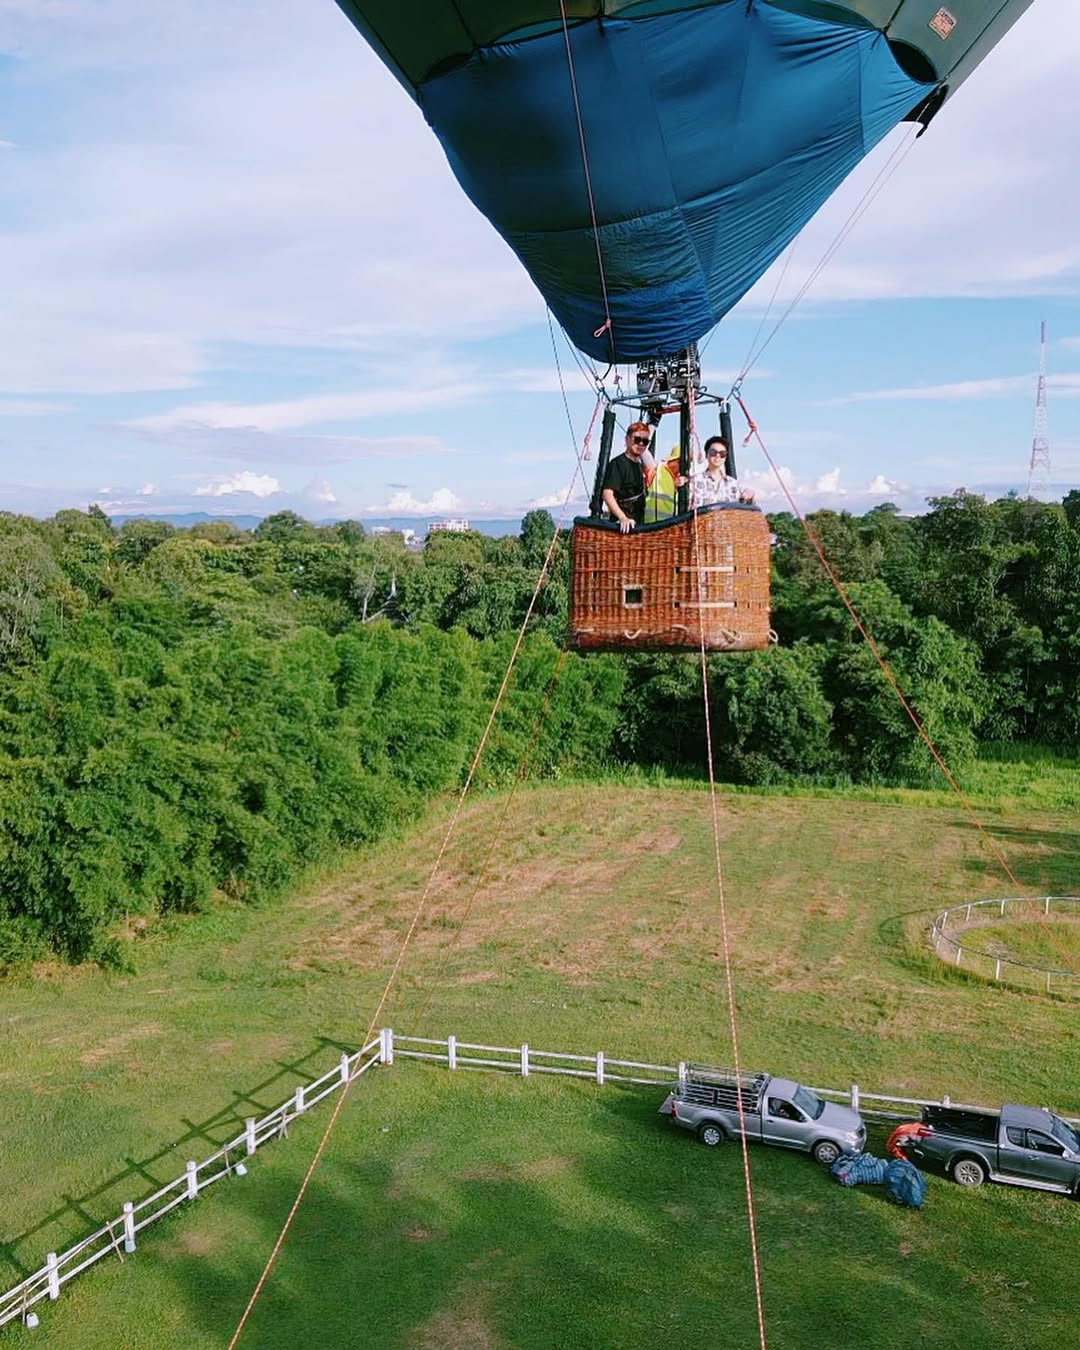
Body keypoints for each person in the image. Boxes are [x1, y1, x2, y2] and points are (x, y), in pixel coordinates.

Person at [601, 422, 653, 532]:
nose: (641, 444)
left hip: (638, 526)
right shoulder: (618, 464)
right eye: (637, 439)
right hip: (622, 528)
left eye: (645, 441)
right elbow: (607, 494)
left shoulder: (640, 467)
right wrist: (622, 518)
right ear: (627, 440)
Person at [690, 436, 755, 507]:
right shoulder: (694, 481)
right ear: (706, 454)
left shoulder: (733, 483)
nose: (718, 456)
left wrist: (750, 495)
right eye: (713, 452)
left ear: (725, 457)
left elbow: (745, 505)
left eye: (722, 454)